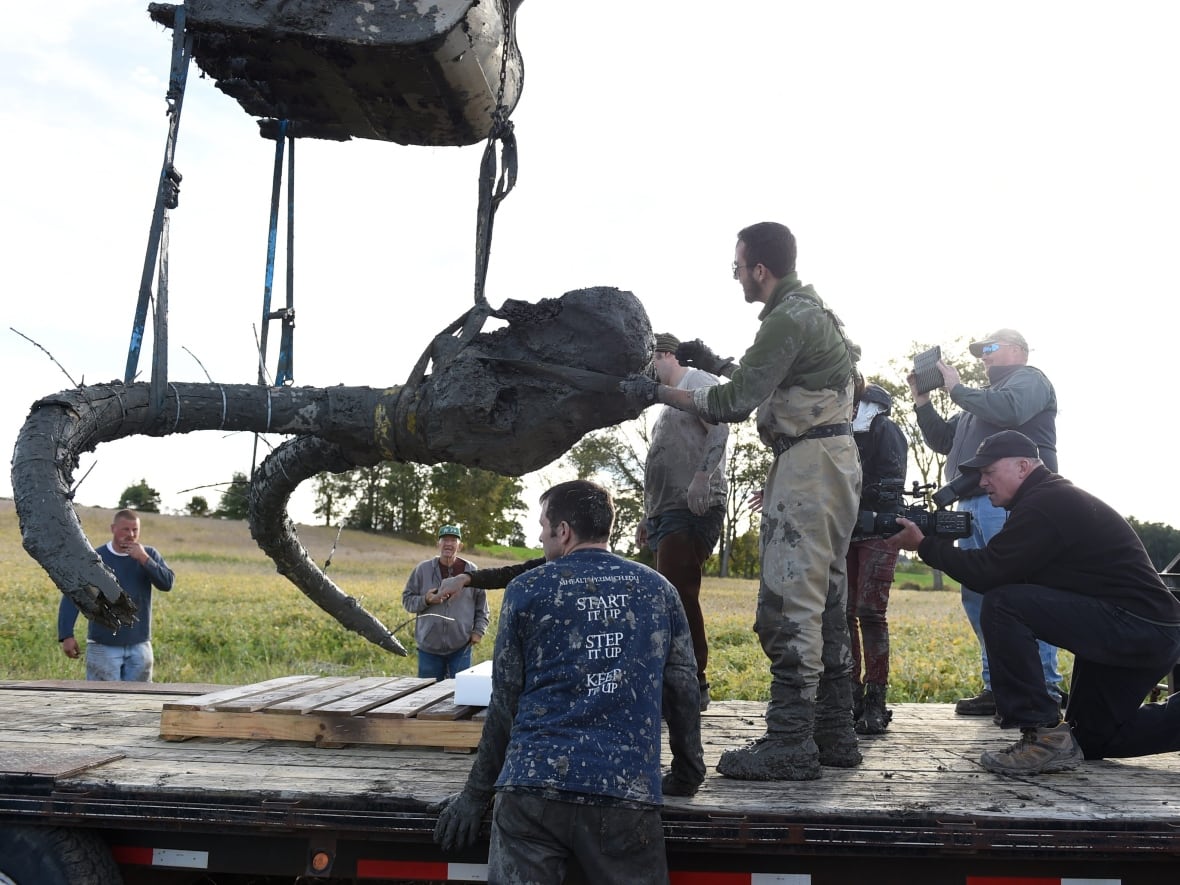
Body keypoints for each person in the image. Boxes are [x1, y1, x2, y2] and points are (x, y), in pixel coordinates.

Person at [620, 221, 862, 781]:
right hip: (827, 462)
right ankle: (832, 730)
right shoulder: (815, 313)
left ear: (760, 269)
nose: (735, 276)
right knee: (825, 598)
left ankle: (791, 741)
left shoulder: (790, 317)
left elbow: (733, 401)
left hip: (809, 463)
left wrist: (657, 391)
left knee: (788, 603)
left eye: (738, 266)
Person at [433, 479, 704, 883]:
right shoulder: (656, 589)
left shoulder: (527, 589)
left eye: (543, 527)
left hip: (531, 792)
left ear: (564, 531)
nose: (540, 537)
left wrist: (475, 797)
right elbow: (683, 688)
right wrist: (687, 772)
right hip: (623, 793)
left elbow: (505, 703)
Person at [887, 430, 1180, 775]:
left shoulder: (1048, 503)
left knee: (1003, 604)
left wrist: (924, 546)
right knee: (1092, 740)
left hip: (1139, 626)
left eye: (988, 472)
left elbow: (990, 571)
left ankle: (1042, 736)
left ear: (1023, 466)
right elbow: (1006, 567)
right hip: (1140, 629)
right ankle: (1058, 741)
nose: (982, 482)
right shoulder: (1044, 500)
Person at [909, 327, 1061, 718]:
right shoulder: (979, 403)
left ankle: (1043, 688)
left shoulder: (1029, 380)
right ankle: (998, 686)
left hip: (1014, 505)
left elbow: (1009, 411)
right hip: (973, 502)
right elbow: (944, 439)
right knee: (978, 595)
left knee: (1021, 591)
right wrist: (922, 399)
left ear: (1018, 350)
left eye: (990, 348)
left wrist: (957, 388)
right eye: (980, 351)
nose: (984, 356)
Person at [635, 331, 729, 711]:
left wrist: (704, 477)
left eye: (651, 361)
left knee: (679, 592)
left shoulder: (698, 382)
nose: (649, 371)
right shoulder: (665, 408)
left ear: (666, 354)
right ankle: (673, 681)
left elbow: (720, 427)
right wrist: (648, 513)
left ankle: (694, 684)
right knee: (666, 597)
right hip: (665, 512)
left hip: (692, 508)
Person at [846, 380, 908, 735]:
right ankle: (851, 693)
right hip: (846, 527)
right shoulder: (845, 434)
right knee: (844, 613)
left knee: (869, 612)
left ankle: (874, 698)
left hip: (876, 529)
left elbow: (892, 481)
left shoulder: (885, 431)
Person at [57, 509, 175, 681]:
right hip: (103, 646)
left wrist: (143, 559)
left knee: (138, 703)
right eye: (125, 529)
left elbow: (167, 584)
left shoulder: (148, 555)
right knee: (103, 701)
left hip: (140, 645)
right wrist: (66, 634)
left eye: (135, 530)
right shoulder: (96, 559)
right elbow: (73, 595)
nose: (131, 535)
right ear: (113, 528)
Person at [402, 525, 490, 680]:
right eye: (445, 540)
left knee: (458, 696)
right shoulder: (422, 570)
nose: (448, 544)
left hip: (461, 647)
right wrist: (426, 600)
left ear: (460, 546)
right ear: (438, 544)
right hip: (428, 648)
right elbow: (407, 601)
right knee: (427, 695)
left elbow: (482, 608)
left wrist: (478, 631)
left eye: (453, 540)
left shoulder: (471, 571)